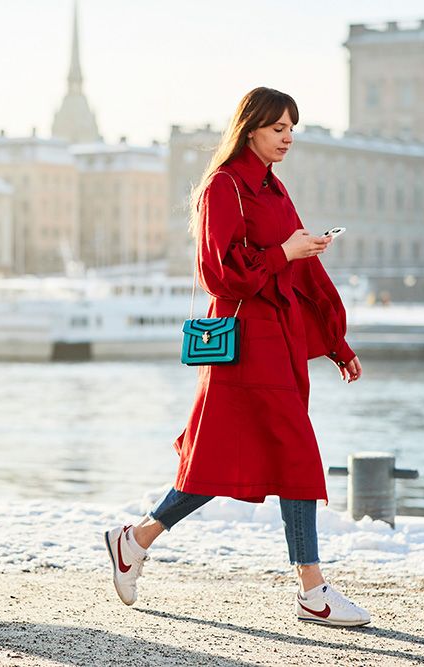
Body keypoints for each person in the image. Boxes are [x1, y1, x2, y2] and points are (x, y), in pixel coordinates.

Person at [103, 87, 370, 627]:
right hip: (246, 343)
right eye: (278, 128)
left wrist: (337, 342)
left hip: (281, 341)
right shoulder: (224, 186)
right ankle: (312, 590)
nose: (288, 137)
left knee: (222, 459)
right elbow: (217, 273)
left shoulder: (274, 188)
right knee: (291, 455)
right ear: (251, 128)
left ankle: (136, 539)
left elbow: (303, 270)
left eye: (293, 128)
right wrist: (283, 253)